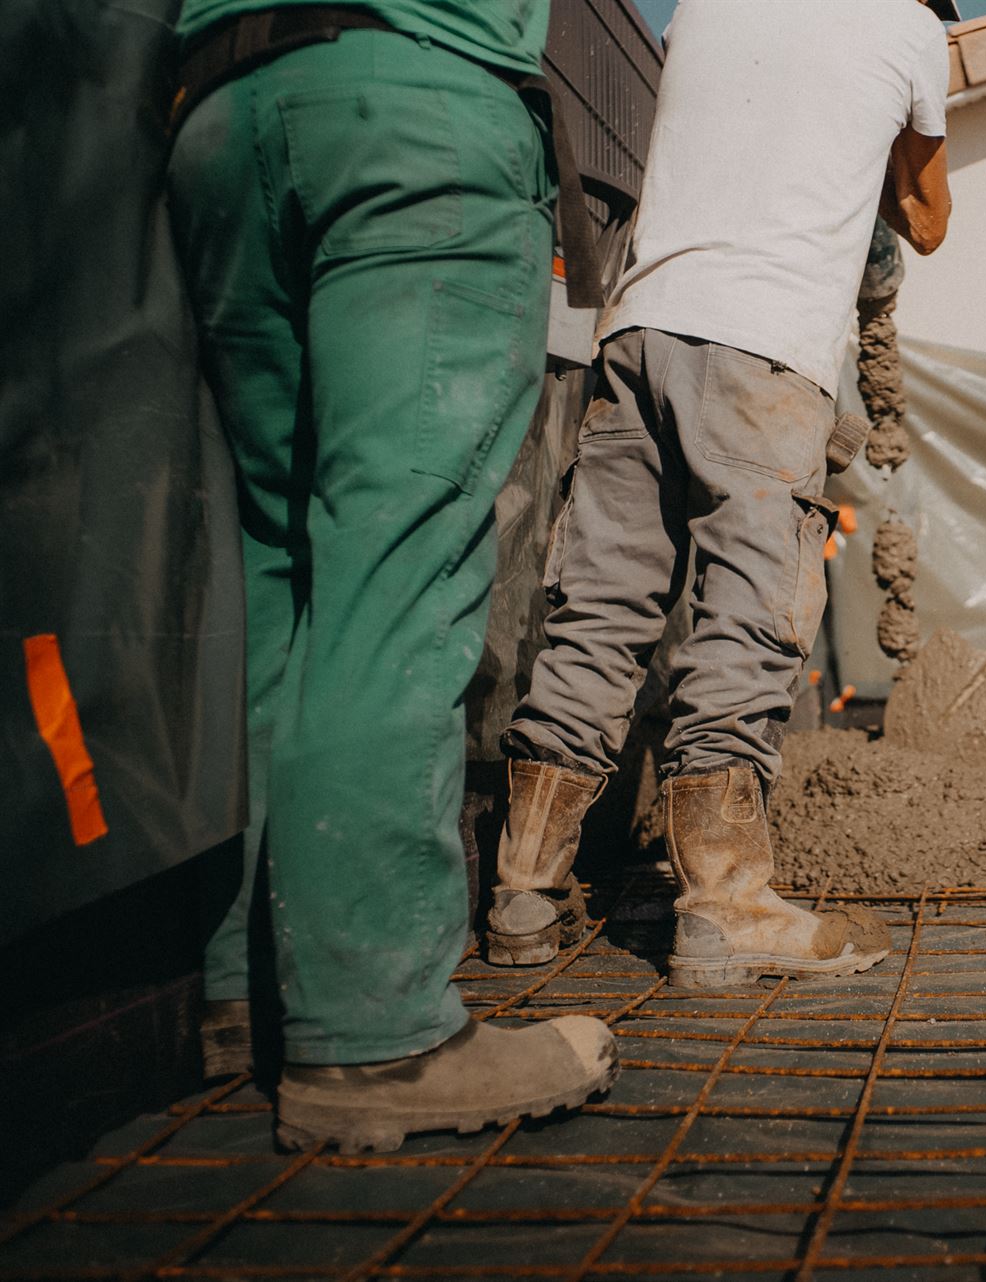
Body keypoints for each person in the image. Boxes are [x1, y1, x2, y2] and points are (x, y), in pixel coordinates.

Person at [167, 1, 618, 1151]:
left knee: (279, 569)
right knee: (394, 566)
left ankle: (248, 994)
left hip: (222, 106)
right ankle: (375, 1037)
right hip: (410, 101)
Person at [484, 0, 955, 983]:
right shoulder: (912, 28)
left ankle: (523, 891)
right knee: (748, 618)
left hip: (640, 325)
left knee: (598, 611)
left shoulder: (704, 4)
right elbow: (927, 220)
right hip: (768, 345)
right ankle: (725, 902)